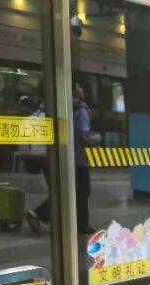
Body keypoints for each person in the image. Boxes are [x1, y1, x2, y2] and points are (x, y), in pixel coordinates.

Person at [26, 83, 94, 234]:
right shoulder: (80, 109)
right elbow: (85, 135)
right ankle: (39, 213)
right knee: (80, 191)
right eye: (79, 87)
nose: (82, 90)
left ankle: (80, 224)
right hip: (78, 157)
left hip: (60, 156)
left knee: (70, 191)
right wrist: (95, 140)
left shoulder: (57, 107)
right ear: (74, 90)